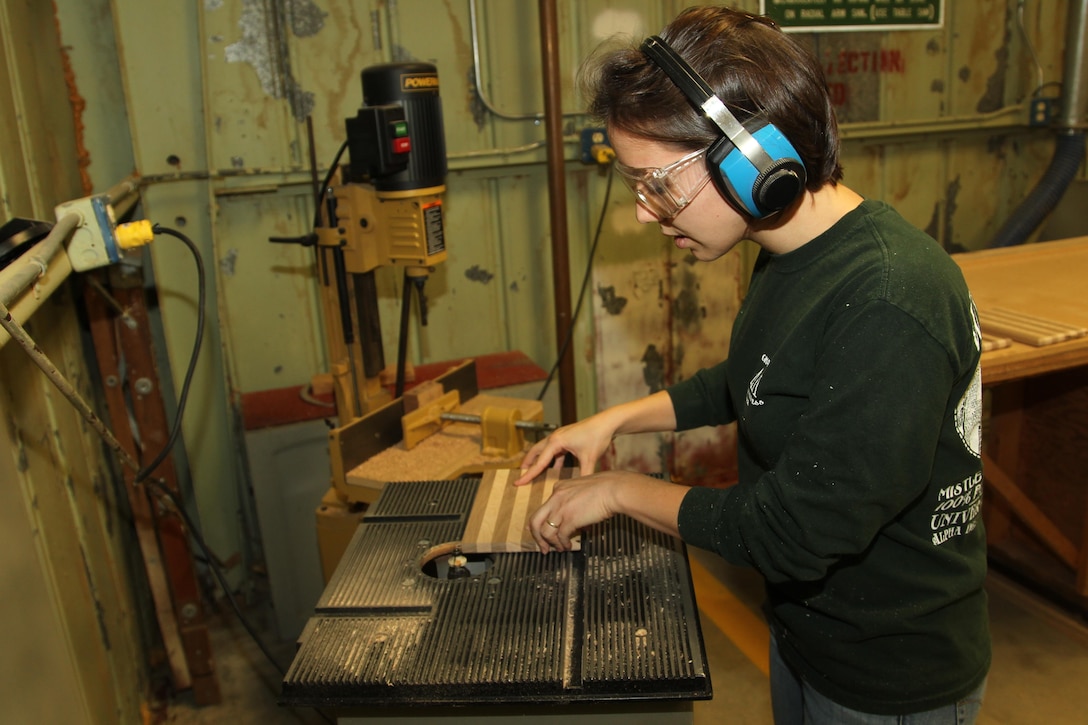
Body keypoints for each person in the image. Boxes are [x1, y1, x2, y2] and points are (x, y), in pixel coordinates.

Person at [514, 6, 990, 724]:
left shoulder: (890, 299)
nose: (645, 212)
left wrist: (618, 491)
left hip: (888, 675)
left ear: (752, 161)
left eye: (657, 182)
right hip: (808, 635)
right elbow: (751, 380)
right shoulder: (789, 255)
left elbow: (789, 532)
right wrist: (613, 420)